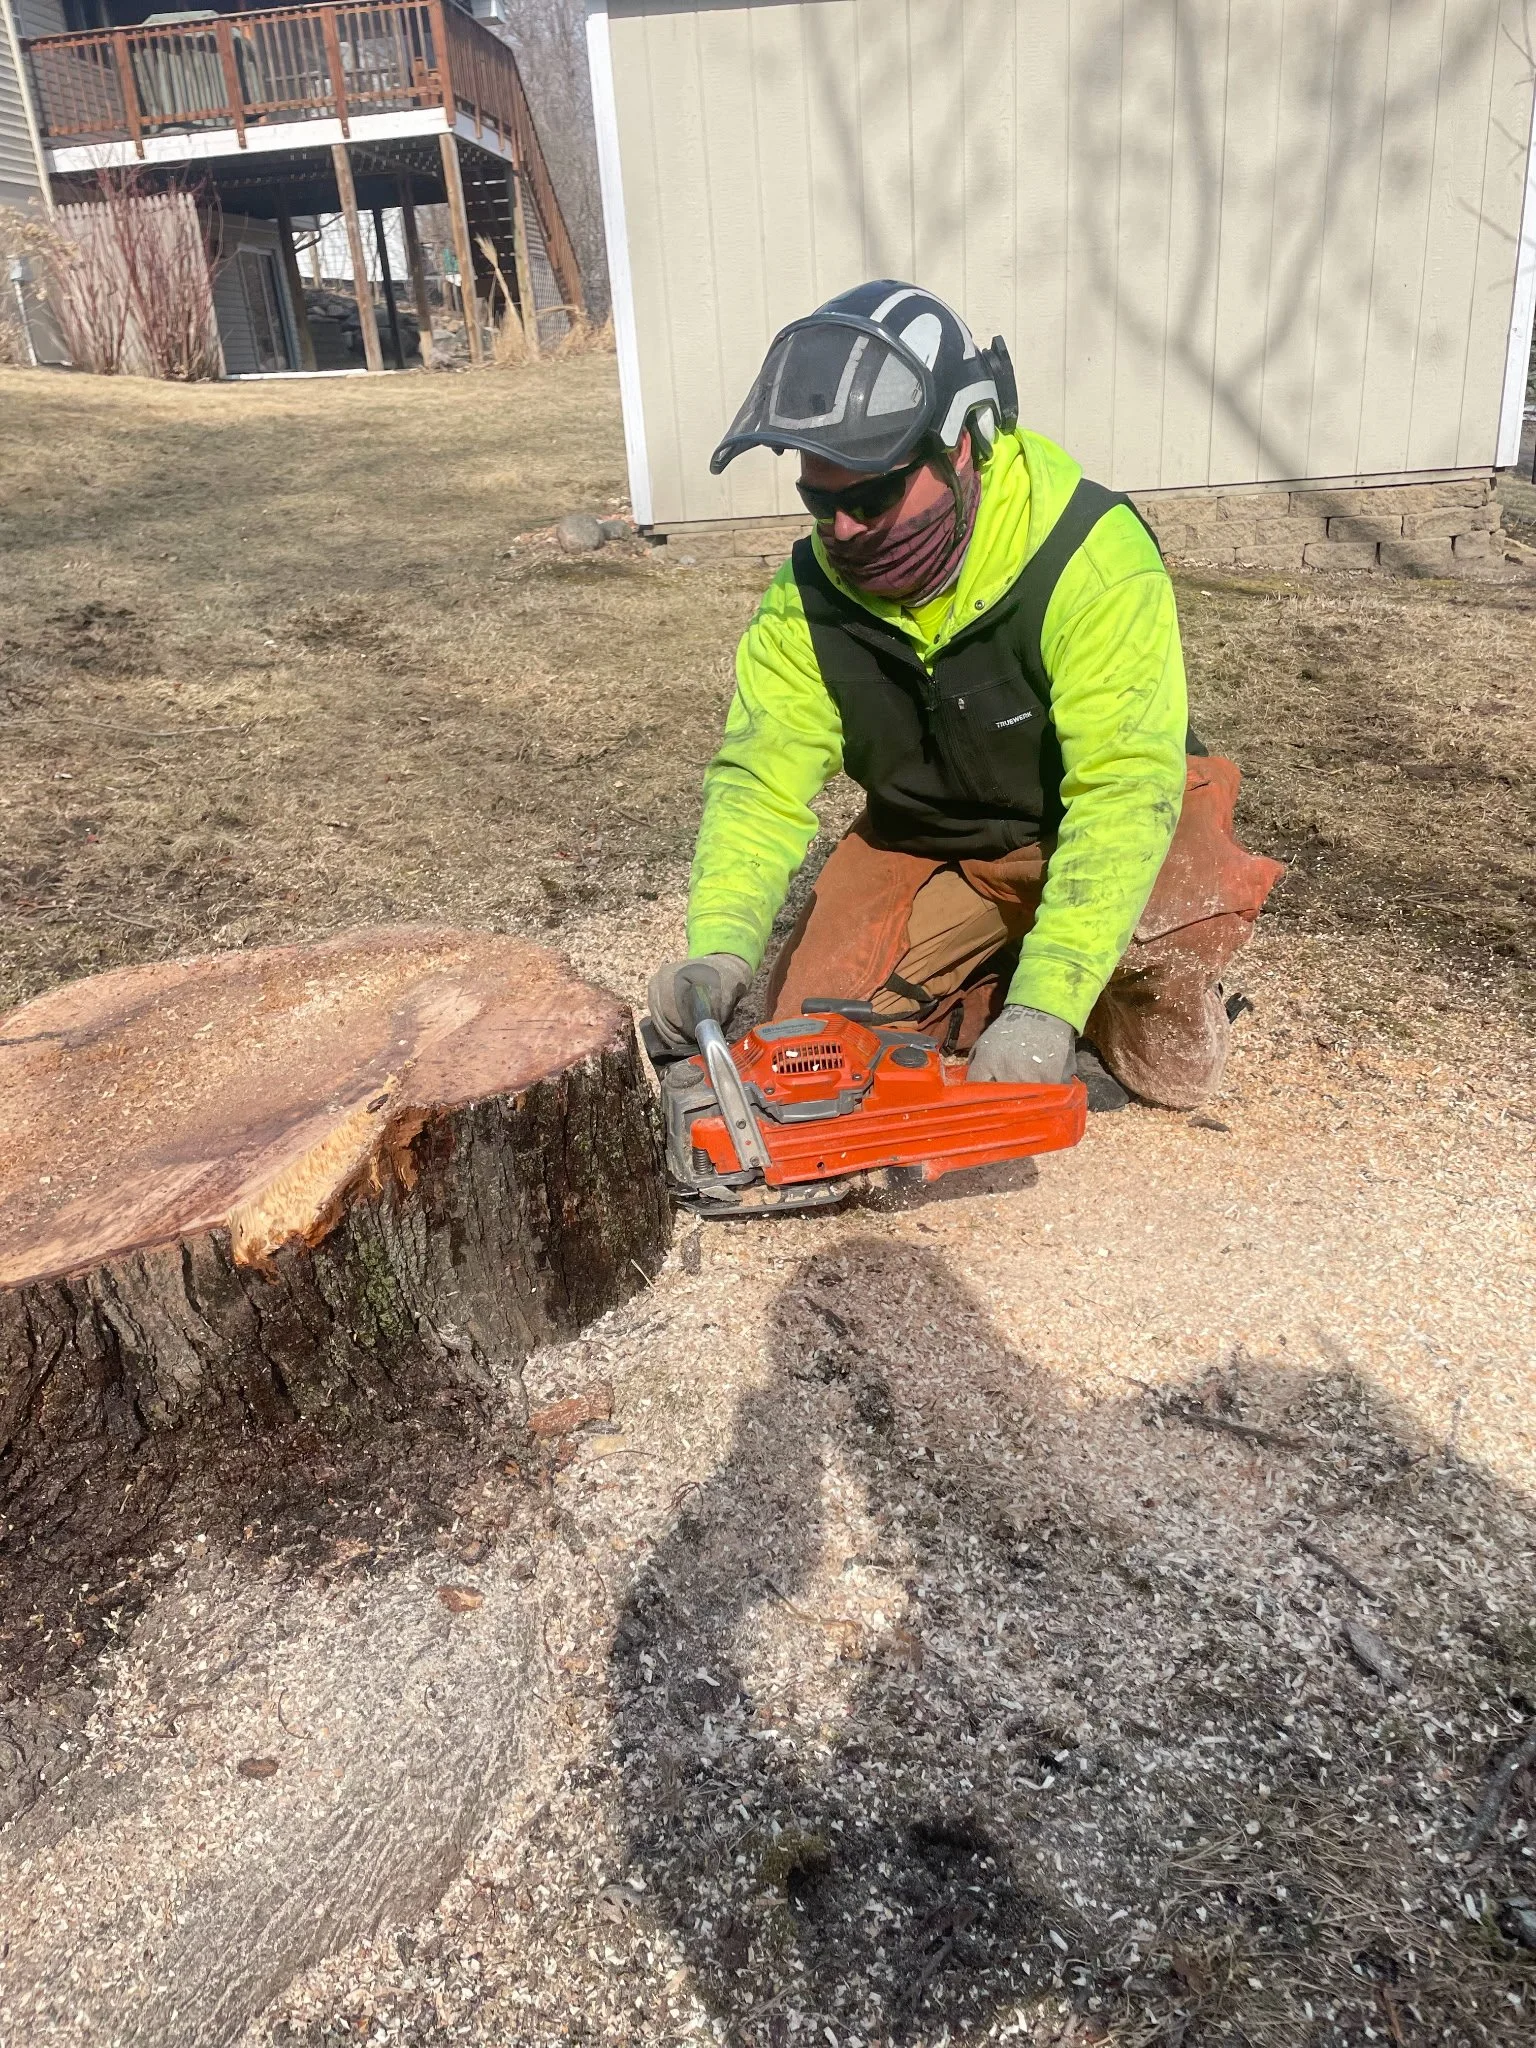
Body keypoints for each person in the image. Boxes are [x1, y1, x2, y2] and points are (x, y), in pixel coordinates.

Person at [646, 281, 1283, 1109]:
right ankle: (997, 981)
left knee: (1168, 1041)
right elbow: (759, 784)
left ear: (961, 449)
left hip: (1085, 830)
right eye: (820, 501)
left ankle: (1072, 991)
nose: (842, 531)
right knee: (811, 1039)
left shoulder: (1089, 557)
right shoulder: (804, 601)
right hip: (929, 844)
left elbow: (1125, 789)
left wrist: (1049, 1003)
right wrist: (722, 948)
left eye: (871, 499)